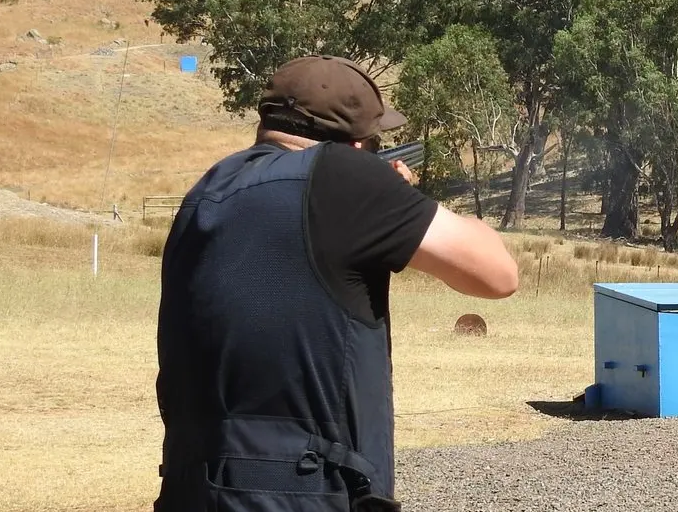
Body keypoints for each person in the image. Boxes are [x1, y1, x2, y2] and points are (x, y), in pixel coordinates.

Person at [153, 54, 519, 512]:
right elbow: (497, 275)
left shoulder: (209, 188)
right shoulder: (342, 176)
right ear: (356, 143)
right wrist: (405, 197)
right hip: (304, 489)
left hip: (194, 487)